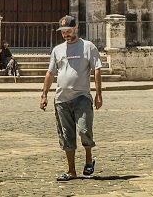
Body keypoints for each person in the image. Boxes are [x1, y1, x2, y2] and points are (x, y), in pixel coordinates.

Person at [39, 15, 103, 182]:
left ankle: (89, 159)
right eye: (63, 32)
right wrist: (44, 95)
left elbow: (96, 70)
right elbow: (50, 73)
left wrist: (98, 94)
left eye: (68, 30)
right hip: (61, 99)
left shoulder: (88, 47)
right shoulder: (57, 50)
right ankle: (71, 171)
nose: (65, 34)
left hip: (82, 96)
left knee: (84, 130)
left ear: (75, 28)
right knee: (67, 136)